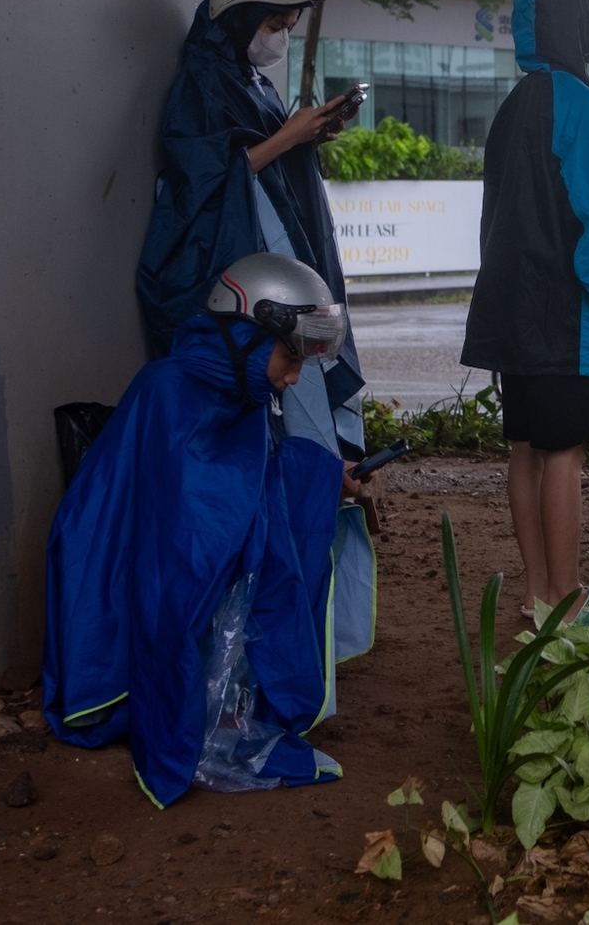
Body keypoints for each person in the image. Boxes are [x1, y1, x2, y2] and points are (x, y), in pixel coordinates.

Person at [43, 254, 375, 807]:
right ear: (245, 336)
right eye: (289, 358)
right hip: (109, 633)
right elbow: (180, 543)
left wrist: (325, 476)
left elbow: (249, 479)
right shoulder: (169, 391)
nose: (294, 378)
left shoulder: (236, 395)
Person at [460, 0, 589, 626]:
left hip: (513, 307)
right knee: (565, 452)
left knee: (526, 450)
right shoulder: (580, 103)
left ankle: (540, 594)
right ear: (574, 26)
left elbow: (495, 219)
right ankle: (567, 604)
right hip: (567, 314)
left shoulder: (515, 105)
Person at [136, 0, 366, 464]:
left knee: (289, 395)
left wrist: (306, 138)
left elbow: (263, 170)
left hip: (268, 269)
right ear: (239, 20)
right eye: (272, 23)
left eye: (288, 25)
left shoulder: (251, 81)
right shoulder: (201, 80)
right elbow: (199, 180)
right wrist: (288, 138)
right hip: (228, 269)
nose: (281, 36)